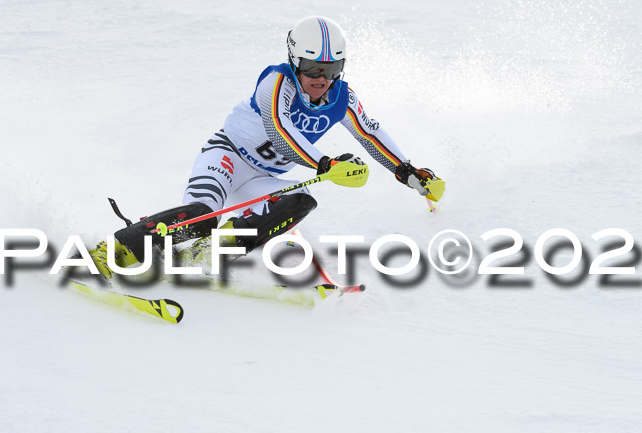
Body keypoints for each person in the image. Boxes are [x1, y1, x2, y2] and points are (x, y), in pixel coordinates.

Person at [90, 16, 443, 278]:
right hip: (226, 158)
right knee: (201, 213)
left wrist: (408, 172)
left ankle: (211, 253)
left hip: (262, 177)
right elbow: (279, 131)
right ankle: (116, 248)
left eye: (331, 68)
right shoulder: (277, 81)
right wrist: (324, 164)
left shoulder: (342, 98)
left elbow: (371, 134)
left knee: (300, 201)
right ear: (294, 61)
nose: (321, 78)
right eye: (311, 67)